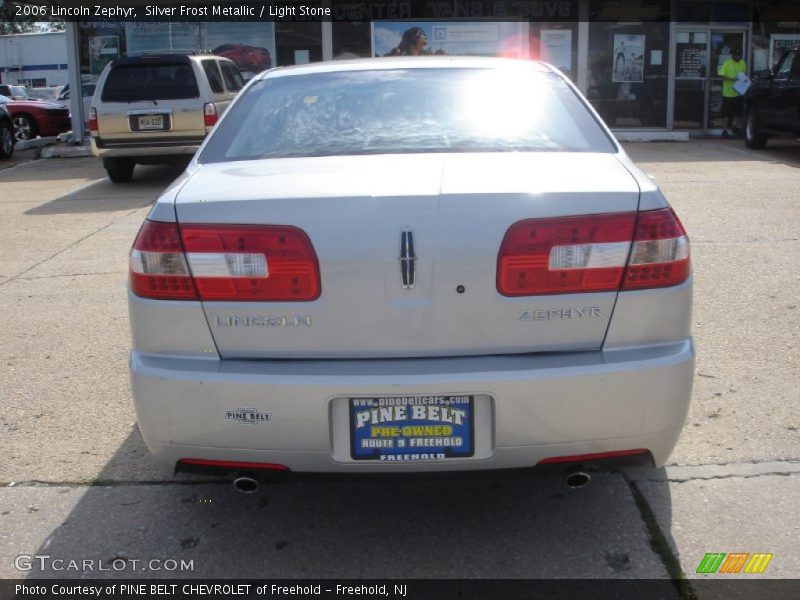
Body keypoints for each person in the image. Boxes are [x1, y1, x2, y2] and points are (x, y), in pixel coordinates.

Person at [718, 48, 747, 138]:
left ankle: (736, 128)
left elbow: (743, 75)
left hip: (738, 92)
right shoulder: (727, 63)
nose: (737, 56)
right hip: (728, 93)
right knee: (726, 114)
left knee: (739, 113)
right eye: (736, 55)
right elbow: (721, 75)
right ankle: (725, 130)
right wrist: (732, 79)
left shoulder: (742, 63)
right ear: (732, 55)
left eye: (739, 55)